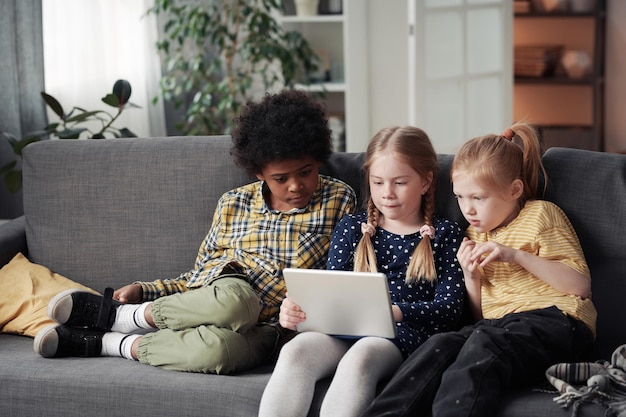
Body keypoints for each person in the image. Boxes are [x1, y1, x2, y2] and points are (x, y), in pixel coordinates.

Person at [32, 90, 357, 375]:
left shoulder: (338, 199)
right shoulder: (234, 203)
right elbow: (199, 276)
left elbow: (341, 277)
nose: (297, 186)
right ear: (259, 173)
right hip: (232, 292)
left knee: (220, 353)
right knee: (237, 304)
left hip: (273, 326)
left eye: (306, 172)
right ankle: (124, 315)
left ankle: (109, 341)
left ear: (318, 160)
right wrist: (146, 291)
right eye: (281, 178)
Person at [359, 122, 598, 417]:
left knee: (484, 343)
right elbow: (482, 316)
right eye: (460, 197)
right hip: (499, 325)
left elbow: (580, 287)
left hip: (559, 321)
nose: (467, 209)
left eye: (478, 198)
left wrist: (516, 256)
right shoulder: (474, 236)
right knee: (440, 344)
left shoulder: (540, 214)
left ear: (514, 190)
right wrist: (471, 277)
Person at [258, 126, 466, 417]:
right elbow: (333, 292)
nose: (387, 194)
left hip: (402, 333)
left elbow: (450, 310)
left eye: (400, 183)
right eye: (378, 183)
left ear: (426, 181)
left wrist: (394, 311)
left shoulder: (445, 234)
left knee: (360, 358)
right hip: (344, 328)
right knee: (296, 351)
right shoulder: (352, 228)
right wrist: (297, 310)